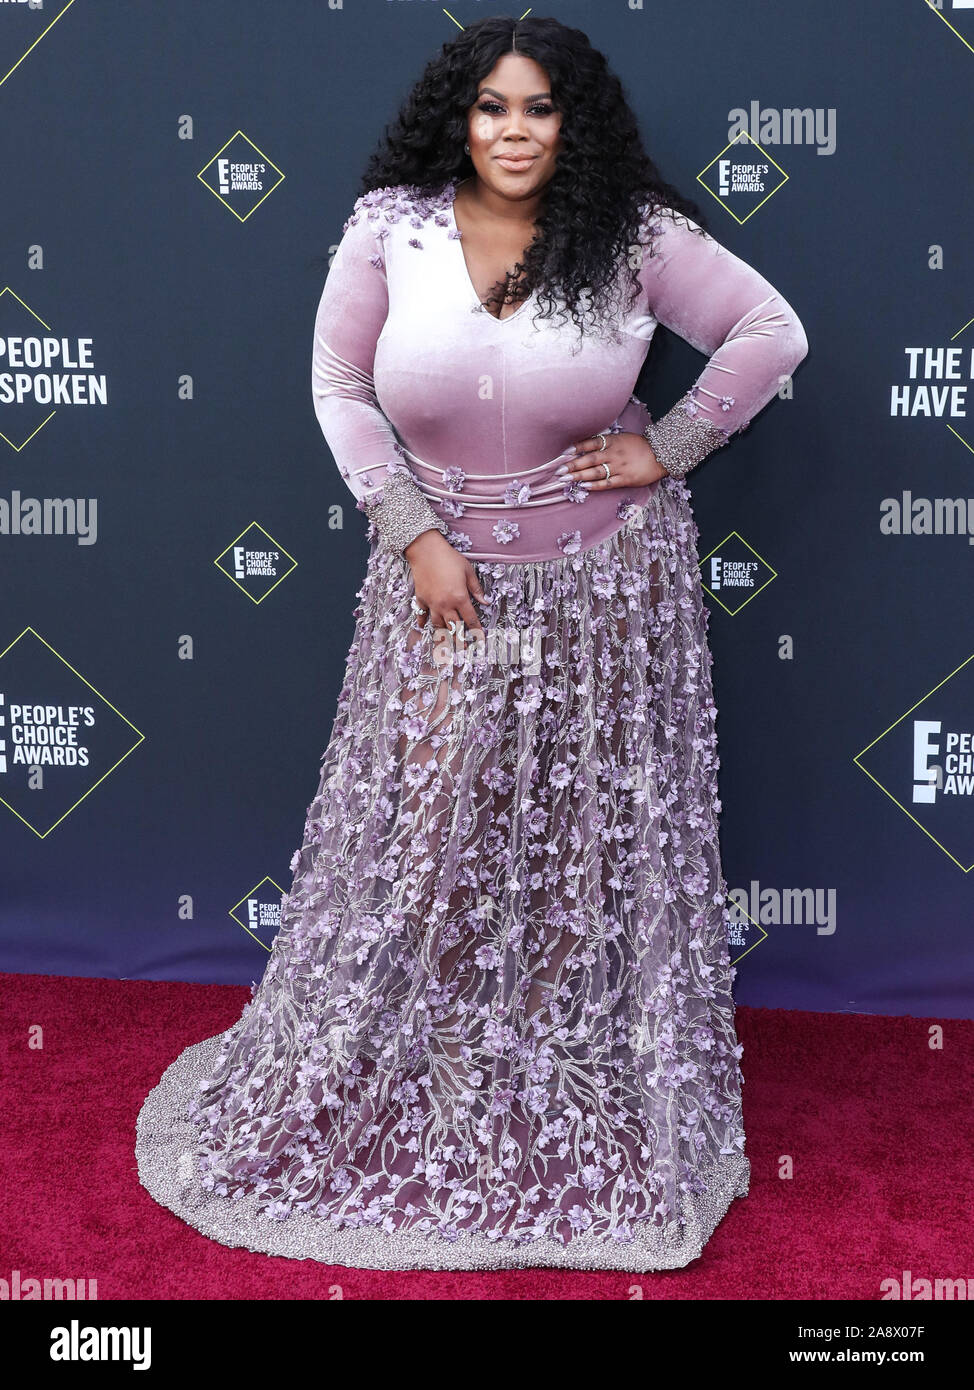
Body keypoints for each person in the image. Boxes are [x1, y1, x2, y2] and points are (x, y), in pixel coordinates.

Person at [135, 15, 808, 1272]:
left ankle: (546, 1049)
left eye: (538, 108)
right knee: (439, 816)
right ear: (459, 115)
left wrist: (671, 442)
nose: (513, 130)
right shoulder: (389, 225)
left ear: (572, 121)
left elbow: (771, 332)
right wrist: (408, 531)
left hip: (605, 586)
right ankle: (441, 1055)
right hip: (444, 589)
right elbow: (338, 385)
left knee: (576, 831)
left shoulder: (633, 232)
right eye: (491, 107)